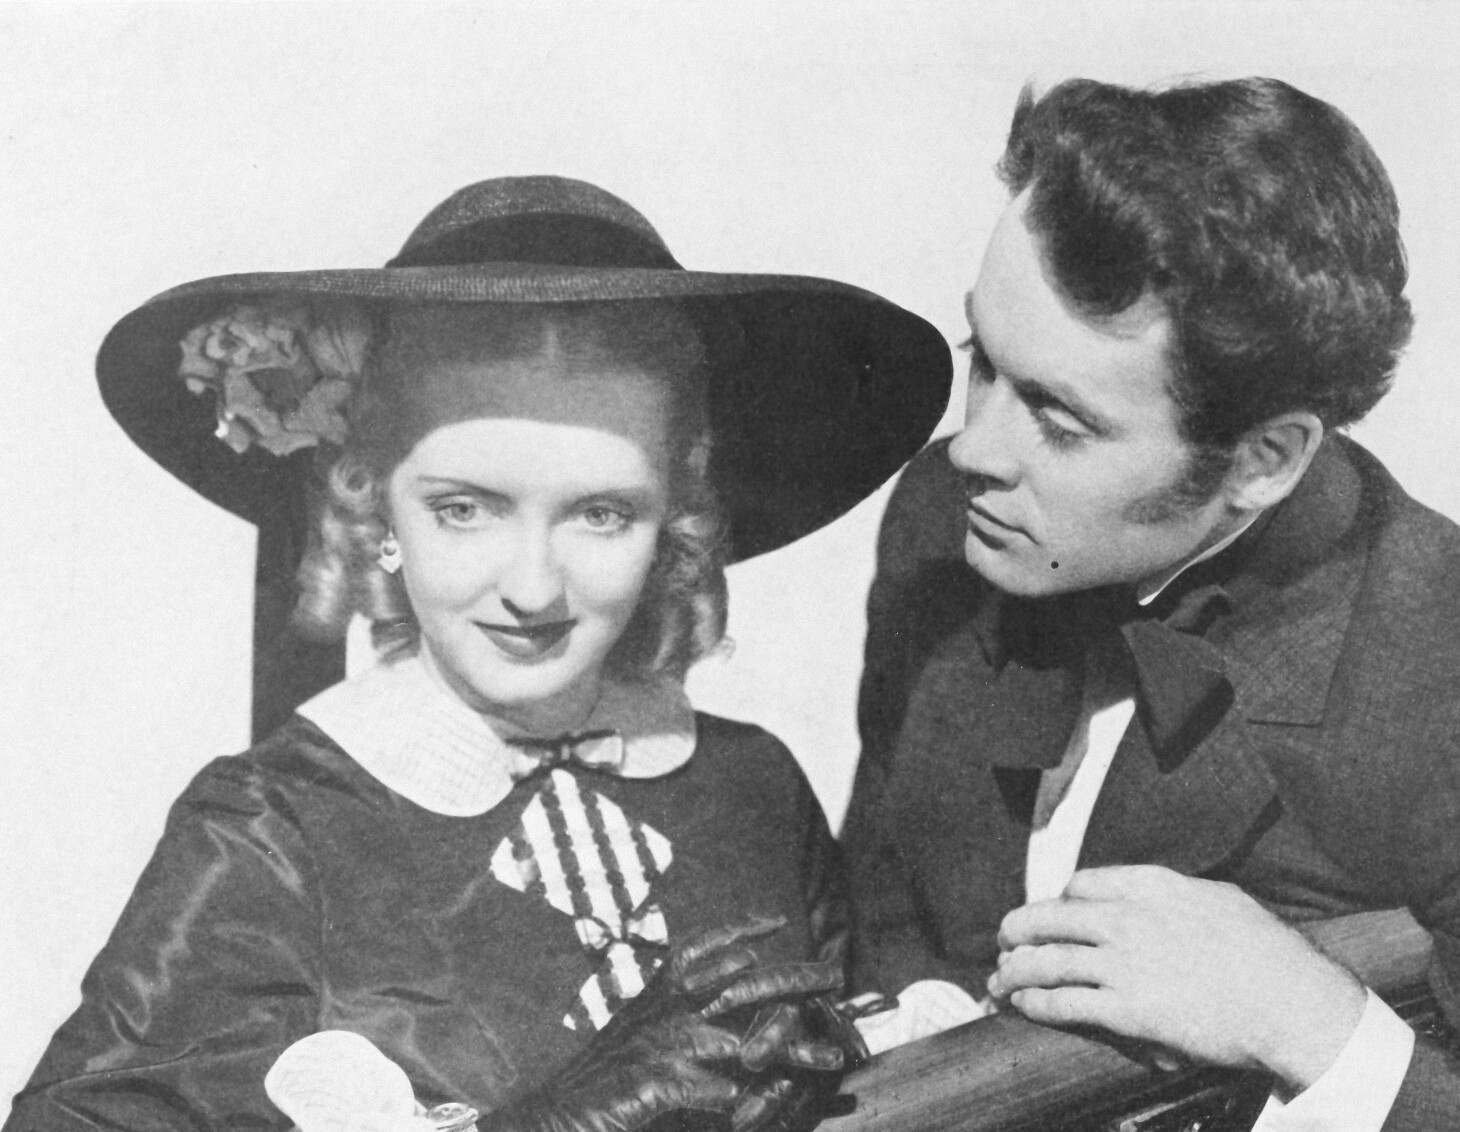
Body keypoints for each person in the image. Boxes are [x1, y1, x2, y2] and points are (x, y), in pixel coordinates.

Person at [7, 176, 951, 1132]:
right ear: (374, 505)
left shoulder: (755, 788)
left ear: (675, 521)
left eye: (601, 513)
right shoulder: (272, 826)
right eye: (464, 508)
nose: (533, 588)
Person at [844, 77, 1460, 1131]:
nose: (974, 449)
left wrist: (1314, 1026)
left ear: (1263, 460)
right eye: (983, 362)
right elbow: (885, 913)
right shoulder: (942, 522)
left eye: (1059, 419)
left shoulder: (1440, 670)